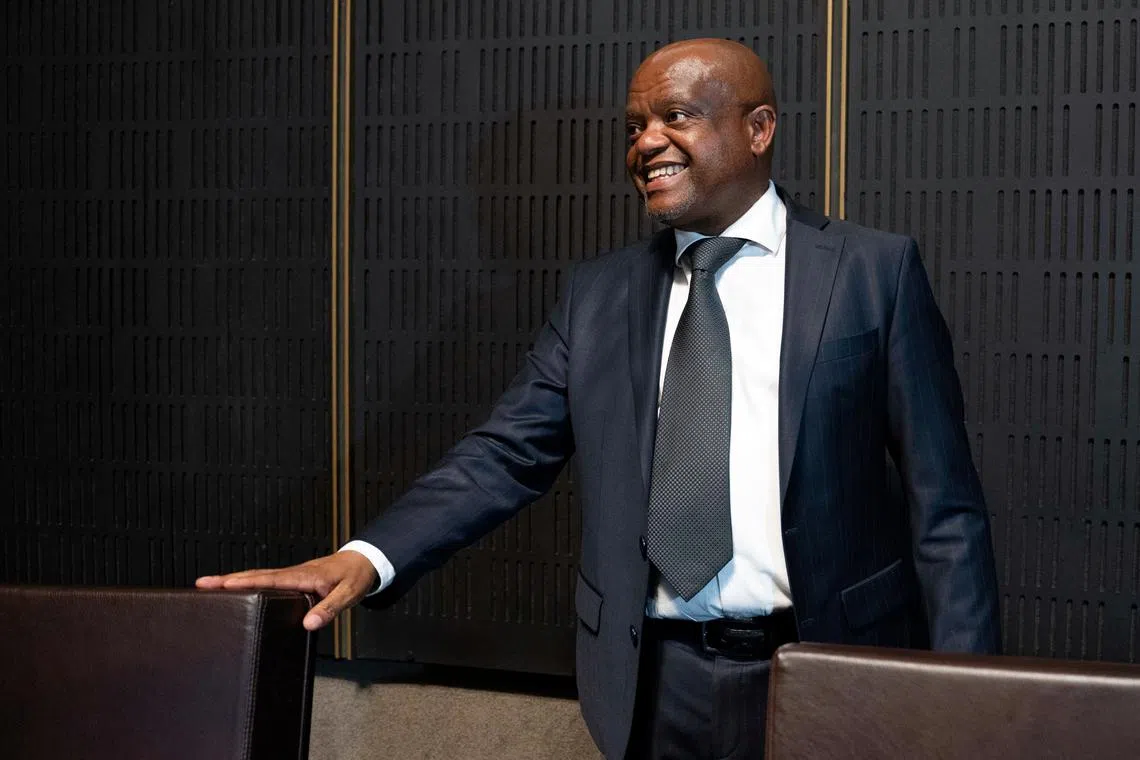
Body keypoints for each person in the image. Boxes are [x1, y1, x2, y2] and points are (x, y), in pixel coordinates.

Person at [197, 38, 1001, 759]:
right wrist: (365, 558)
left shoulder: (873, 273)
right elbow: (504, 456)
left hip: (826, 668)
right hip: (654, 683)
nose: (647, 142)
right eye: (635, 126)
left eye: (676, 116)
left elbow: (946, 510)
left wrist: (964, 704)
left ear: (759, 129)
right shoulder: (599, 296)